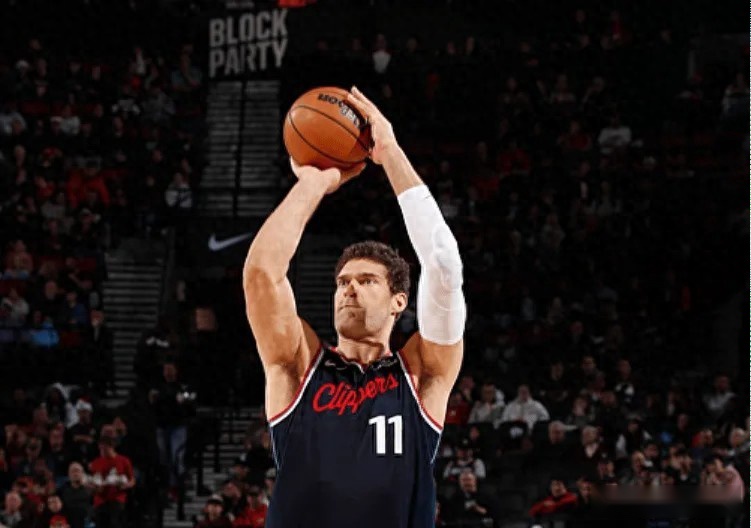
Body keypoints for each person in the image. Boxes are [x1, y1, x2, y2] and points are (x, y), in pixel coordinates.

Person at [243, 86, 465, 527]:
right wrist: (314, 184)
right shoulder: (299, 366)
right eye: (343, 282)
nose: (349, 289)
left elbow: (443, 266)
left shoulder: (422, 374)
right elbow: (262, 274)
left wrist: (391, 154)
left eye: (367, 281)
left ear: (399, 302)